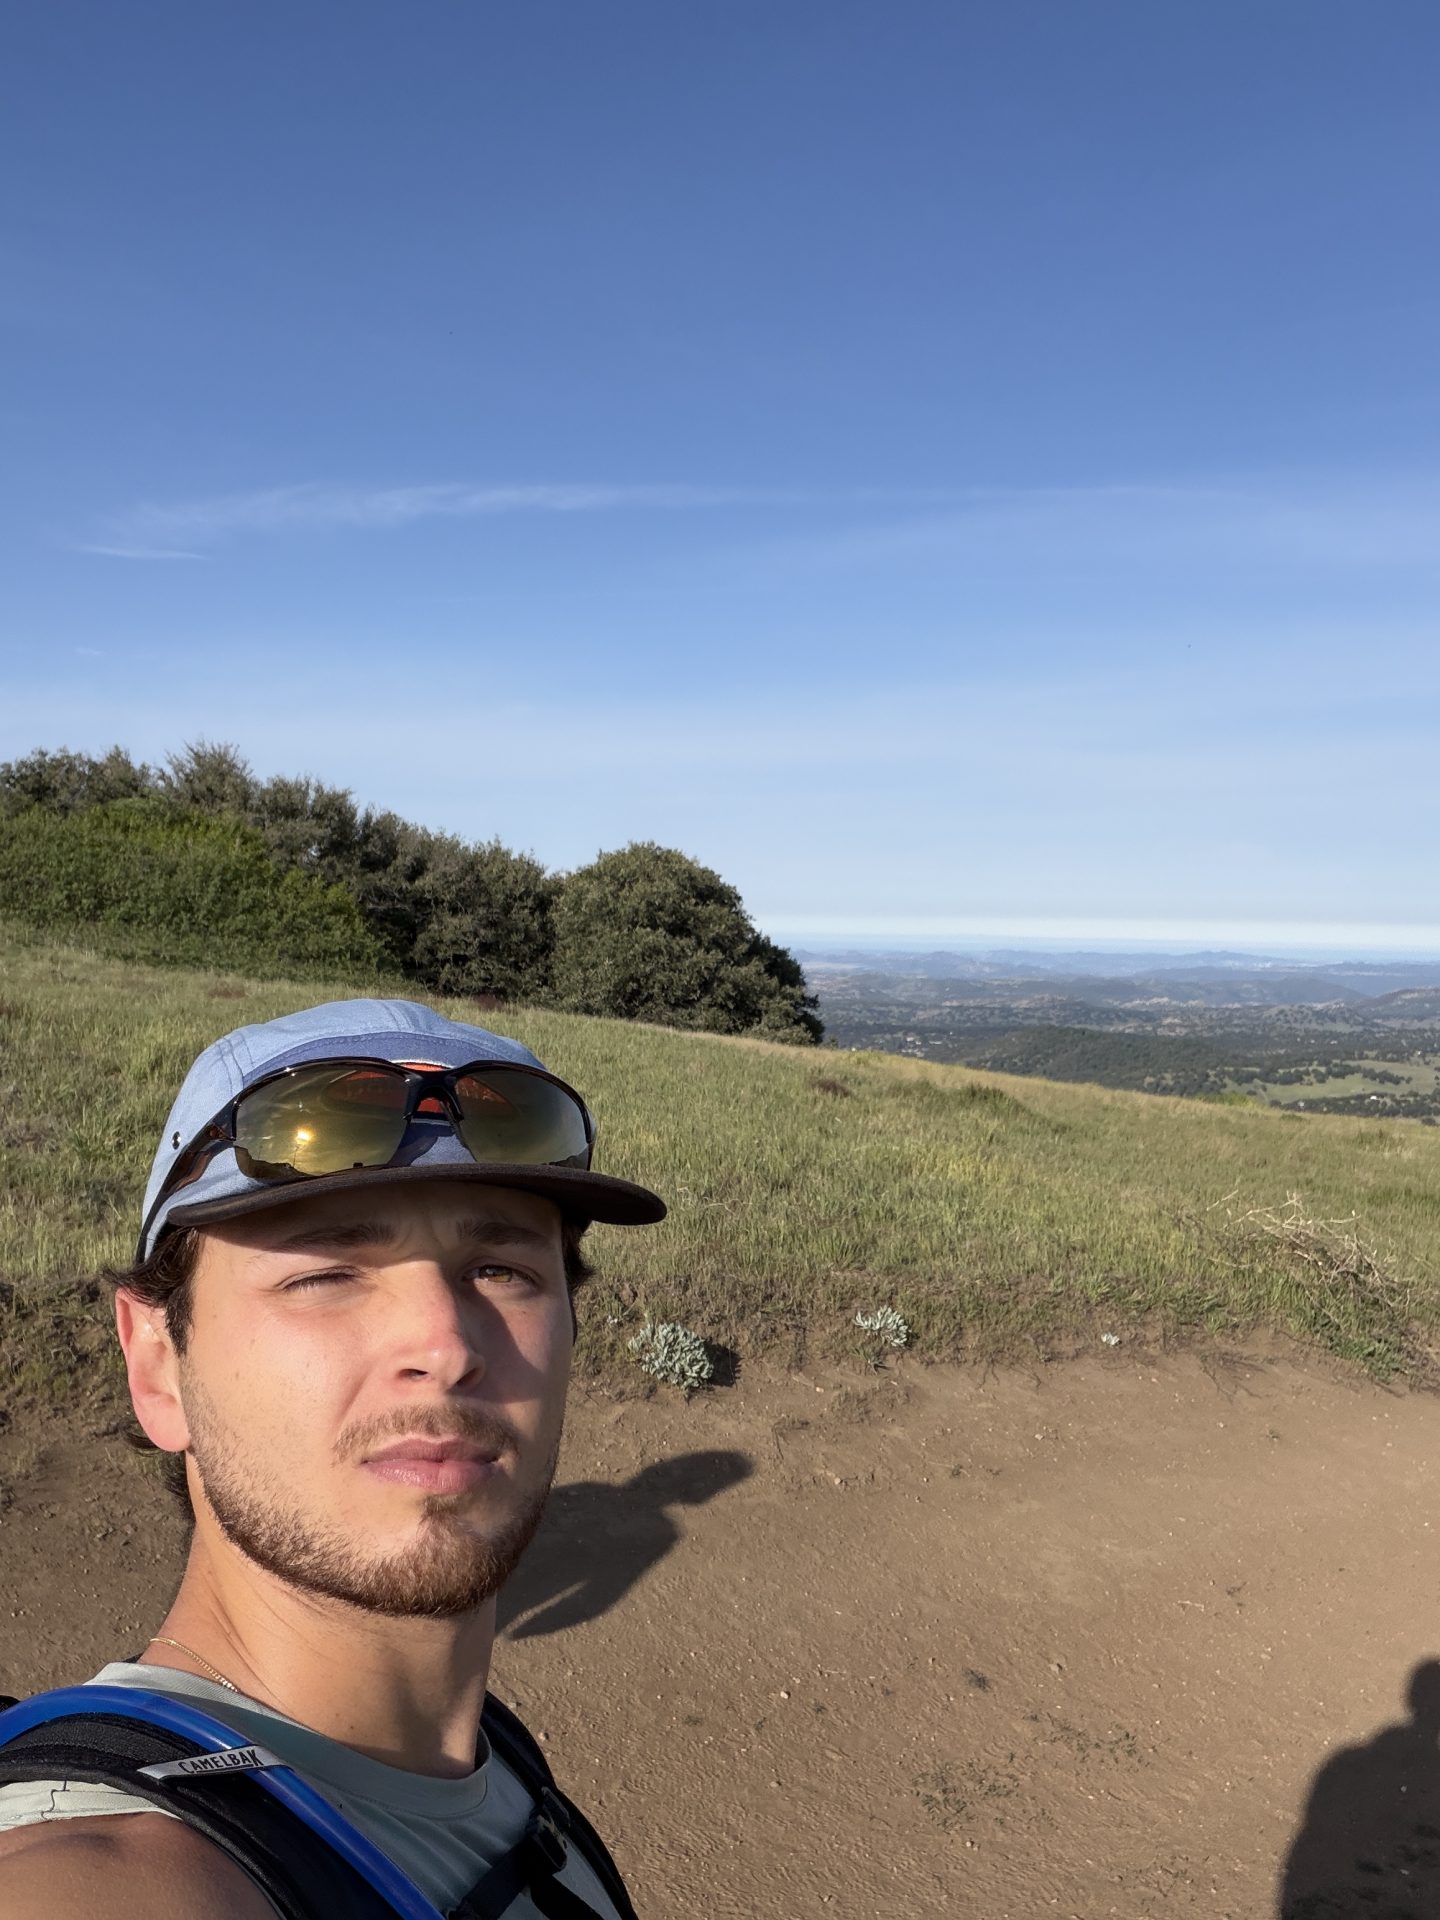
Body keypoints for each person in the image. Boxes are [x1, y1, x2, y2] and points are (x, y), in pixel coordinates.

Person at [0, 997, 667, 1919]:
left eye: (501, 1270)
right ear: (157, 1364)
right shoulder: (95, 1874)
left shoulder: (498, 1768)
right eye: (322, 1274)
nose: (444, 1345)